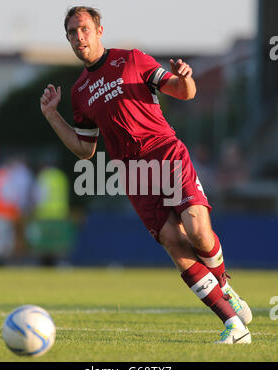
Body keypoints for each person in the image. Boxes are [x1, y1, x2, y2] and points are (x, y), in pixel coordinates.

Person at [40, 6, 252, 344]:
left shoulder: (132, 60)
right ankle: (233, 325)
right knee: (174, 243)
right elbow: (84, 149)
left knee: (198, 231)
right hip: (134, 173)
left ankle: (224, 287)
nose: (78, 37)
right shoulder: (80, 91)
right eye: (71, 32)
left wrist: (184, 77)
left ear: (99, 30)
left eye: (83, 29)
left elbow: (184, 93)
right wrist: (52, 116)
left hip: (166, 154)